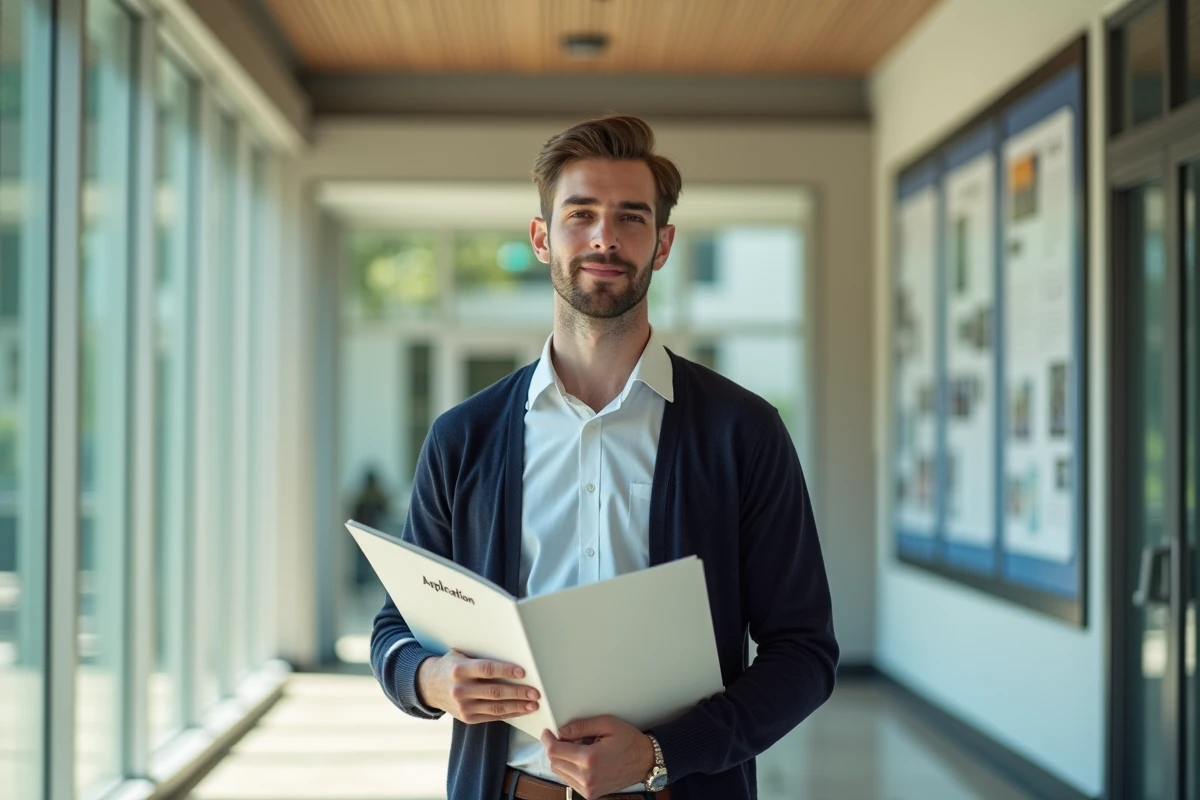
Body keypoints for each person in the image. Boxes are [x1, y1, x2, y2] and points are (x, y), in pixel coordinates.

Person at [370, 114, 838, 800]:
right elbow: (393, 631)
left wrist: (659, 753)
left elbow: (804, 653)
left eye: (631, 217)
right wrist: (428, 679)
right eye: (580, 213)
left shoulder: (745, 432)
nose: (603, 237)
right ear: (541, 237)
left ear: (663, 243)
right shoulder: (461, 438)